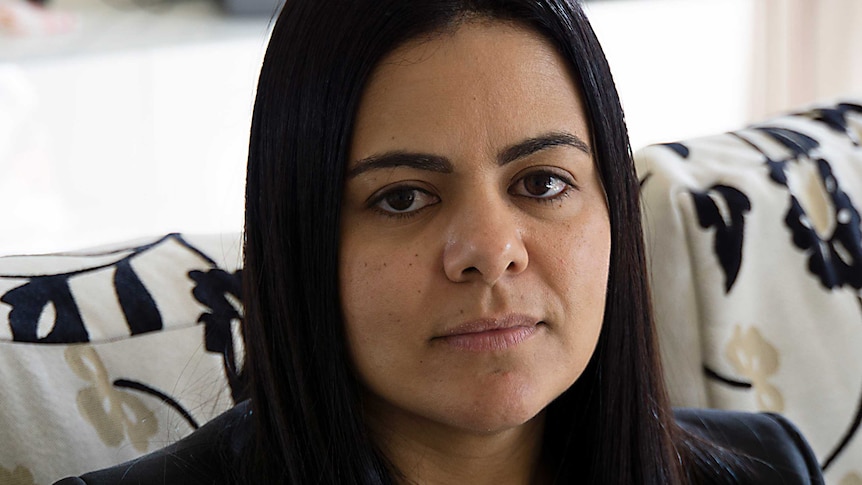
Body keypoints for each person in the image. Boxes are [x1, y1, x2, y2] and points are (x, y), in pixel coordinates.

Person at [56, 0, 824, 483]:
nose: (491, 249)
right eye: (403, 197)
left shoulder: (768, 466)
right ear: (300, 239)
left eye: (542, 182)